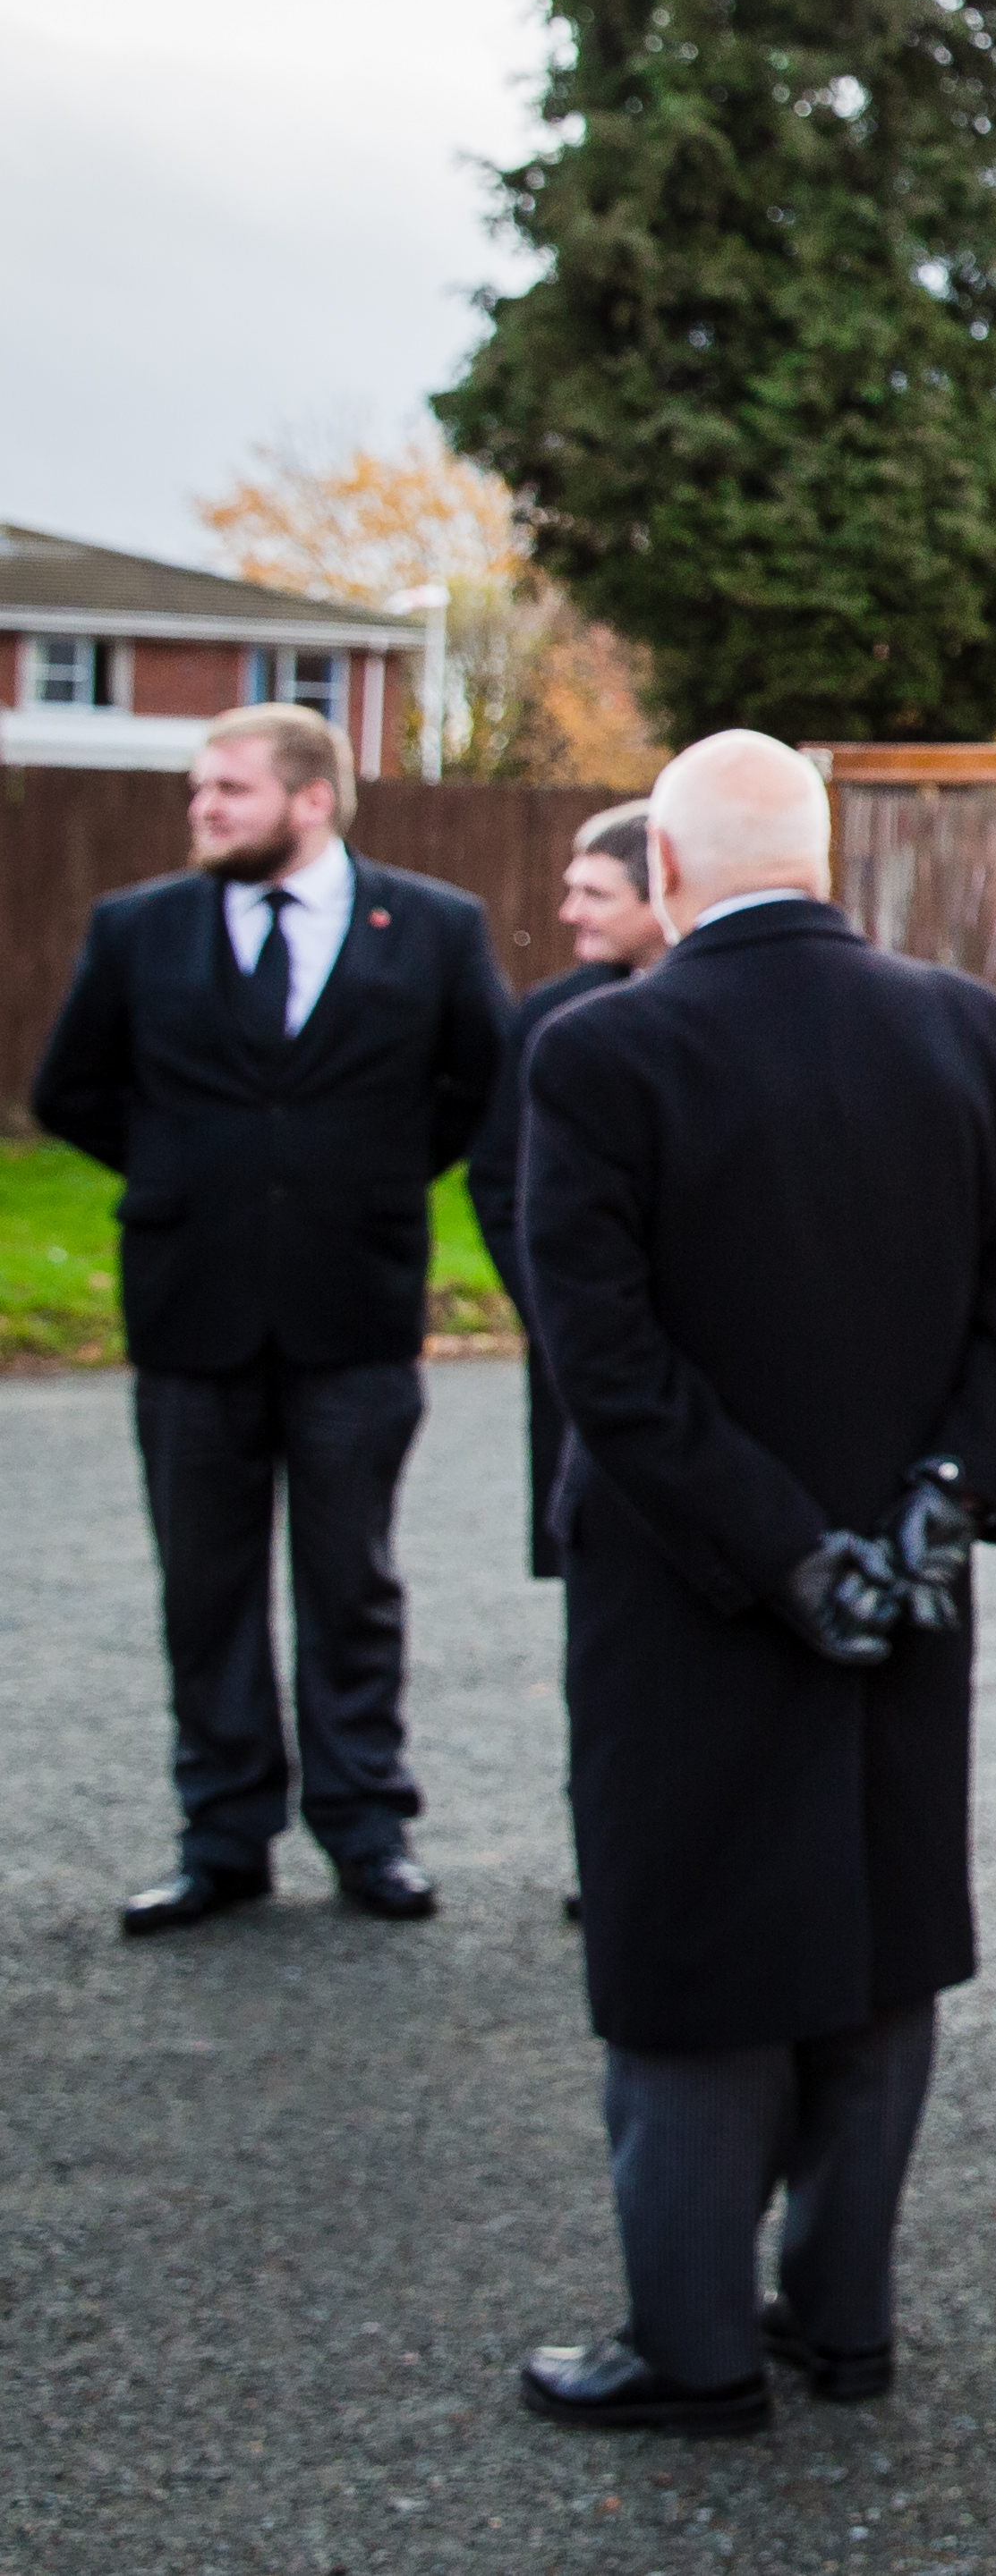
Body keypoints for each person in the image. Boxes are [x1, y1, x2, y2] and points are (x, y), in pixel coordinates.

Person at [509, 731, 996, 2435]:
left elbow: (605, 1365)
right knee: (873, 1926)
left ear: (670, 873)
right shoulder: (958, 1028)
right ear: (822, 863)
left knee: (691, 1942)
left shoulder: (600, 1053)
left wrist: (776, 1552)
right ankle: (843, 2320)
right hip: (909, 1576)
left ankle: (690, 2352)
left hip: (694, 1582)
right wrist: (943, 1503)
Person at [30, 701, 510, 1936]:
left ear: (312, 799)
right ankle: (223, 1833)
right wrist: (187, 1173)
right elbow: (70, 1085)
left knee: (352, 1581)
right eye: (200, 791)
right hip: (192, 1313)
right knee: (206, 1586)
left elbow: (475, 1084)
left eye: (228, 790)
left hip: (355, 1307)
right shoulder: (140, 928)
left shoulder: (435, 927)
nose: (204, 809)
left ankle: (366, 1823)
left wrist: (370, 1178)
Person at [465, 803, 665, 1580]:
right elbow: (498, 1176)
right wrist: (559, 1306)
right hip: (578, 1348)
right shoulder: (553, 1013)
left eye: (595, 893)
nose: (567, 912)